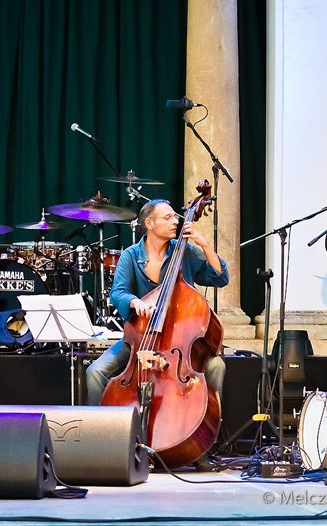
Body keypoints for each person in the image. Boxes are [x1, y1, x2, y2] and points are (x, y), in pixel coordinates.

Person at [85, 199, 229, 466]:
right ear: (149, 223)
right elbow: (118, 292)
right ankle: (101, 444)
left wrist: (205, 245)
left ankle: (201, 445)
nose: (175, 221)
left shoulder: (184, 251)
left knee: (217, 366)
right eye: (167, 217)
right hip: (140, 338)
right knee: (95, 372)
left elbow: (220, 277)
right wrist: (133, 302)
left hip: (180, 343)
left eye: (176, 217)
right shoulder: (131, 256)